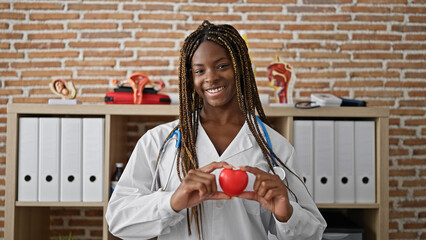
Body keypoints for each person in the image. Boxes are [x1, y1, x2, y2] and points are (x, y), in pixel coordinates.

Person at [105, 20, 326, 240]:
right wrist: (172, 202)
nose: (211, 77)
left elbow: (313, 233)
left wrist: (285, 213)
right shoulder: (159, 141)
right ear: (190, 79)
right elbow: (118, 220)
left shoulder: (275, 147)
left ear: (240, 67)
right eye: (199, 70)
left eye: (222, 66)